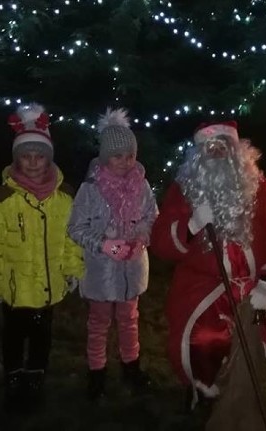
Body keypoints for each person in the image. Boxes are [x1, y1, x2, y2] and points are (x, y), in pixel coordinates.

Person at [151, 120, 266, 430]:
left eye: (225, 146)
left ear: (238, 151)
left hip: (260, 280)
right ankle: (205, 394)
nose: (219, 154)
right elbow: (159, 244)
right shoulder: (185, 190)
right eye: (211, 148)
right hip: (206, 286)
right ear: (199, 155)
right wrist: (191, 226)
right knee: (203, 336)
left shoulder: (260, 188)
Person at [0, 103, 84, 413]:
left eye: (40, 156)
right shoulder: (2, 199)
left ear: (49, 158)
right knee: (13, 334)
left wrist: (73, 268)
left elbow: (71, 238)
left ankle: (35, 377)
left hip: (48, 286)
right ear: (16, 159)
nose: (34, 162)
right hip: (14, 287)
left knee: (42, 336)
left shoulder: (64, 198)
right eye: (26, 156)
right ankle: (13, 377)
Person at [67, 108, 158, 401]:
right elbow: (76, 227)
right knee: (99, 322)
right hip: (101, 272)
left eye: (130, 155)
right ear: (105, 158)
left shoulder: (141, 185)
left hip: (131, 268)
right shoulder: (90, 189)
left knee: (130, 319)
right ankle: (97, 372)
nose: (125, 162)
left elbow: (150, 215)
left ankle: (131, 365)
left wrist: (142, 235)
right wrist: (105, 245)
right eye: (117, 156)